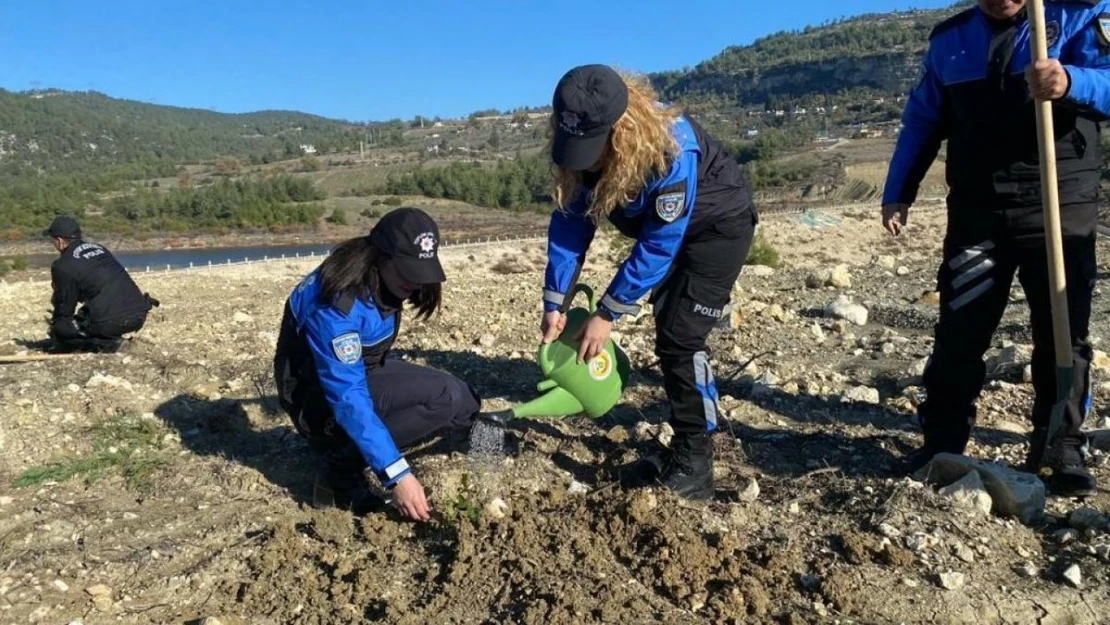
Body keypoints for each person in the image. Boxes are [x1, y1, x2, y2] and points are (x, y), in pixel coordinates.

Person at [882, 0, 1110, 496]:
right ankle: (942, 445)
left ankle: (1060, 446)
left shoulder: (1079, 19)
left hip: (1058, 200)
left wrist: (1071, 81)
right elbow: (923, 119)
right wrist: (899, 191)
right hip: (978, 210)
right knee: (961, 327)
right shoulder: (951, 39)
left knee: (1062, 330)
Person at [539, 64, 759, 500]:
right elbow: (569, 224)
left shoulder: (671, 150)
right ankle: (690, 437)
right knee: (671, 325)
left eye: (594, 149)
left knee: (680, 336)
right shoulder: (582, 150)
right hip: (668, 234)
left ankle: (696, 464)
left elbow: (660, 246)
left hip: (717, 229)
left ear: (621, 131)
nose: (587, 162)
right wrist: (555, 301)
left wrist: (606, 314)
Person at [273, 207, 490, 521]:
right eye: (407, 271)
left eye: (420, 271)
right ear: (382, 255)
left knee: (463, 399)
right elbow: (348, 398)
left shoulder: (374, 274)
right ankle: (339, 469)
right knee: (444, 397)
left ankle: (463, 435)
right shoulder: (338, 306)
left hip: (360, 372)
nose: (414, 284)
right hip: (319, 400)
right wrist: (398, 475)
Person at [43, 215, 157, 353]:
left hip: (113, 321)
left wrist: (58, 329)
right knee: (85, 314)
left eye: (53, 241)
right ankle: (107, 335)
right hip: (139, 313)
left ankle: (109, 345)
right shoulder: (99, 249)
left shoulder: (62, 266)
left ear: (60, 241)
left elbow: (64, 309)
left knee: (62, 329)